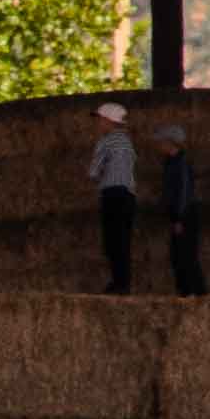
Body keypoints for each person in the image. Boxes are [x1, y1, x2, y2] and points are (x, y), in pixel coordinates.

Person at [87, 102, 136, 295]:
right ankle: (123, 282)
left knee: (112, 241)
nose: (97, 123)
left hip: (112, 194)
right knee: (123, 240)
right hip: (128, 195)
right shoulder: (127, 142)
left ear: (108, 121)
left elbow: (93, 172)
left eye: (99, 119)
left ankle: (118, 283)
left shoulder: (106, 142)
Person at [155, 124, 207, 297]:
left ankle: (199, 294)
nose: (159, 145)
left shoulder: (181, 164)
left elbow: (184, 193)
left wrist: (179, 218)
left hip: (186, 215)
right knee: (177, 256)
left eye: (162, 141)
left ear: (170, 143)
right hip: (178, 216)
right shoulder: (170, 163)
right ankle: (184, 293)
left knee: (187, 256)